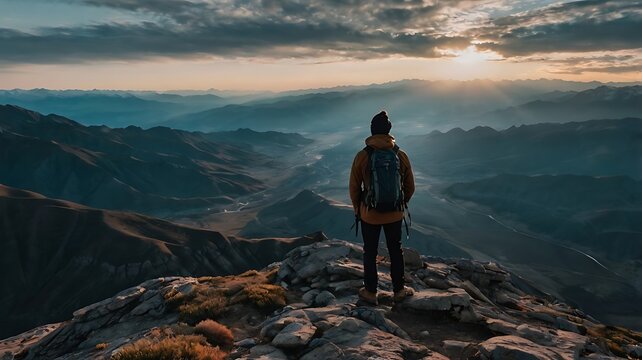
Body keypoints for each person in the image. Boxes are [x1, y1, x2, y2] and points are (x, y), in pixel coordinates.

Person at [349, 110, 415, 305]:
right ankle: (399, 290)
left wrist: (358, 209)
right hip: (394, 214)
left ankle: (370, 292)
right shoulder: (400, 154)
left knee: (370, 251)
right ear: (389, 131)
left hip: (370, 214)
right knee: (396, 250)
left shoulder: (363, 156)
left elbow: (354, 187)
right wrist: (400, 204)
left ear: (372, 130)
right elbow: (410, 186)